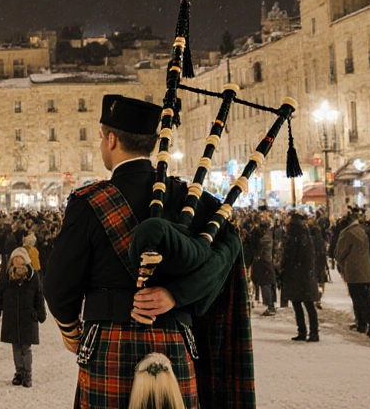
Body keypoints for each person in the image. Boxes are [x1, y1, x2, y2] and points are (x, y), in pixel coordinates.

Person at [43, 94, 249, 409]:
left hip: (110, 343)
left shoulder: (88, 202)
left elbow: (59, 286)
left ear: (111, 140)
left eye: (101, 138)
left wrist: (72, 332)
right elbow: (227, 249)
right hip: (174, 342)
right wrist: (176, 295)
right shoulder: (186, 196)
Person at [0, 246, 46, 388]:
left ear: (25, 261)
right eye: (15, 258)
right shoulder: (6, 275)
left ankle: (27, 373)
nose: (17, 261)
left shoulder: (33, 276)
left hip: (28, 316)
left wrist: (40, 313)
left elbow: (39, 296)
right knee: (16, 346)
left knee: (26, 347)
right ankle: (19, 372)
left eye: (20, 258)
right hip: (12, 316)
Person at [333, 213, 370, 339]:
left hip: (354, 271)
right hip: (366, 270)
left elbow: (339, 253)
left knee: (358, 299)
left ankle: (364, 324)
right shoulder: (363, 230)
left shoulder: (348, 233)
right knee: (367, 299)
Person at [282, 212, 321, 342]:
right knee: (307, 304)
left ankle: (305, 331)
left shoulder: (294, 235)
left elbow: (289, 255)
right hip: (305, 274)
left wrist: (284, 269)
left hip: (296, 274)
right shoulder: (305, 233)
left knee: (301, 304)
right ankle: (311, 332)